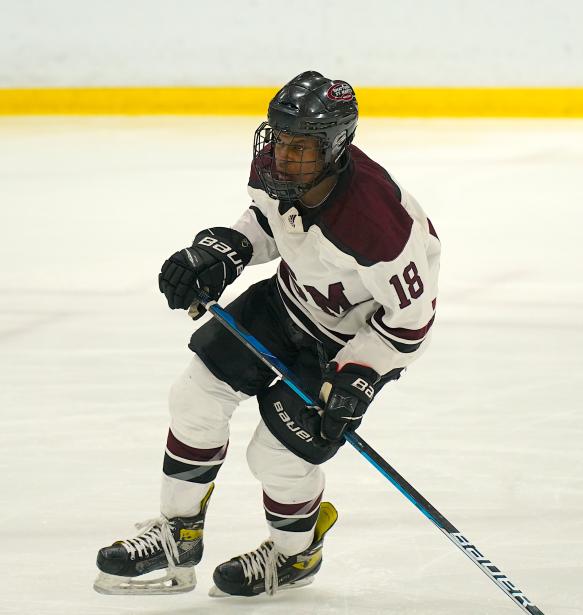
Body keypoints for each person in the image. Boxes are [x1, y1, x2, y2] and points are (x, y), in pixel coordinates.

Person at [94, 70, 441, 598]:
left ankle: (296, 552)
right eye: (279, 139)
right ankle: (176, 534)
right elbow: (268, 222)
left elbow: (410, 323)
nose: (283, 155)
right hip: (285, 303)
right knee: (195, 397)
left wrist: (361, 377)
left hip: (344, 346)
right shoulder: (278, 170)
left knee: (275, 458)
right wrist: (223, 251)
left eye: (300, 148)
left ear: (336, 146)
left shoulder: (380, 226)